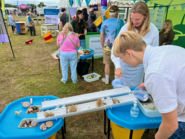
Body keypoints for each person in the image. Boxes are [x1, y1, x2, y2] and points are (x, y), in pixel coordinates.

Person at [113, 31, 185, 139]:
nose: (122, 62)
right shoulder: (166, 50)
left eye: (121, 57)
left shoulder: (155, 73)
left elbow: (170, 125)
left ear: (129, 53)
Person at [111, 1, 159, 87]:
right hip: (123, 67)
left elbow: (154, 56)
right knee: (119, 93)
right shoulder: (125, 28)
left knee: (134, 93)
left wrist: (149, 77)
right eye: (132, 18)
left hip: (138, 70)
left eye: (137, 19)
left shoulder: (153, 31)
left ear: (145, 16)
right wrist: (118, 66)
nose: (134, 22)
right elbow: (115, 48)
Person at [100, 6, 124, 84]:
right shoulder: (120, 22)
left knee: (107, 64)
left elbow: (101, 36)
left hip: (106, 47)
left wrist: (103, 45)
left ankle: (106, 80)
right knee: (116, 64)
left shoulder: (104, 22)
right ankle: (115, 80)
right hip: (117, 47)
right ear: (116, 13)